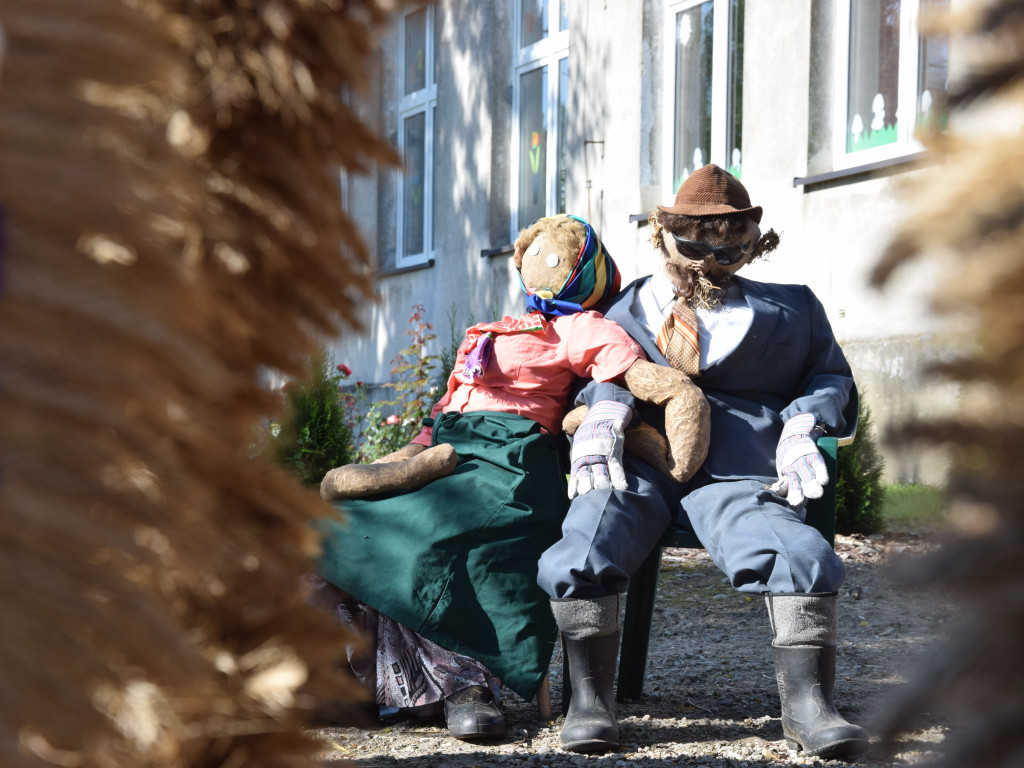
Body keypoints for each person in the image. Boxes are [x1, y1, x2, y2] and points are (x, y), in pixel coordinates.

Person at [537, 165, 868, 758]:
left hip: (741, 466)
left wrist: (804, 422)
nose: (710, 261)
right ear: (663, 236)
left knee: (798, 552)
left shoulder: (793, 309)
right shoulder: (622, 309)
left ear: (750, 244)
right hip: (639, 458)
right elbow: (600, 371)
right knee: (587, 539)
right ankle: (588, 699)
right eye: (695, 245)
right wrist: (604, 412)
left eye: (730, 248)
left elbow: (830, 376)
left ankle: (808, 707)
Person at [312, 215, 649, 741]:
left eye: (558, 259)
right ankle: (353, 682)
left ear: (586, 271)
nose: (540, 266)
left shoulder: (581, 327)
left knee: (441, 532)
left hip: (513, 456)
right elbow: (443, 407)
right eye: (534, 256)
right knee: (343, 522)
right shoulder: (492, 329)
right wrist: (404, 457)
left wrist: (665, 396)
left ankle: (464, 685)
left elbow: (626, 371)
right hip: (451, 447)